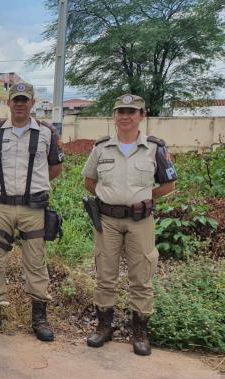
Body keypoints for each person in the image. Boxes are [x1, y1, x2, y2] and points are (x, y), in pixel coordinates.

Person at [82, 94, 176, 356]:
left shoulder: (155, 148)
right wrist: (110, 198)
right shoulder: (101, 147)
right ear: (114, 116)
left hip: (140, 221)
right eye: (120, 111)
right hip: (108, 221)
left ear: (142, 116)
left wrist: (143, 199)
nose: (125, 116)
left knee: (141, 277)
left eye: (131, 112)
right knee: (105, 275)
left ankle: (139, 332)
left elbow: (169, 184)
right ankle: (104, 326)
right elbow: (89, 182)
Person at [0, 82, 64, 342]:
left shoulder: (47, 133)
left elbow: (55, 168)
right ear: (9, 103)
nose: (20, 104)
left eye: (25, 100)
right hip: (1, 206)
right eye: (16, 100)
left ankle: (39, 318)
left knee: (36, 262)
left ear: (33, 103)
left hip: (33, 208)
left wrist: (34, 186)